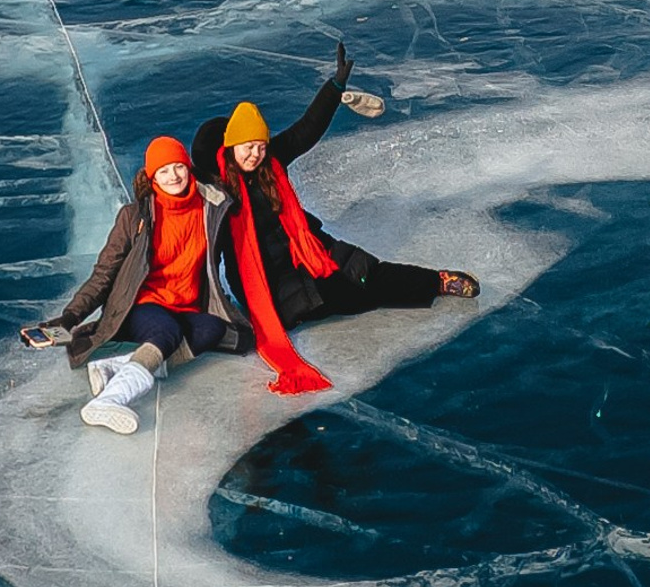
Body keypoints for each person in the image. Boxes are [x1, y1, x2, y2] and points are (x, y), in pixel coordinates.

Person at [193, 40, 479, 398]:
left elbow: (306, 129)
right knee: (309, 310)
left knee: (366, 278)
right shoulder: (216, 190)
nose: (255, 153)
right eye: (247, 146)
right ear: (231, 146)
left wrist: (335, 86)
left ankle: (436, 282)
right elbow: (204, 249)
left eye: (260, 145)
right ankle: (330, 297)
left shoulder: (273, 163)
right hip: (266, 282)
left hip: (309, 252)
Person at [40, 135, 241, 434]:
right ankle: (111, 399)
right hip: (141, 304)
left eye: (178, 167)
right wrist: (71, 317)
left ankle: (116, 366)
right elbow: (104, 273)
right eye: (163, 171)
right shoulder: (135, 216)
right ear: (152, 176)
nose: (173, 176)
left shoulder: (211, 208)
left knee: (215, 330)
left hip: (184, 304)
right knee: (166, 332)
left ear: (188, 167)